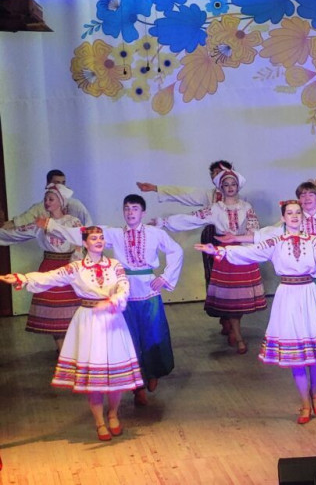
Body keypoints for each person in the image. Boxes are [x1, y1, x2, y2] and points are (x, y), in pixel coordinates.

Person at [196, 201, 316, 424]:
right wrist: (220, 251)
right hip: (287, 295)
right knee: (296, 355)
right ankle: (304, 402)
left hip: (309, 294)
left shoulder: (313, 241)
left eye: (298, 213)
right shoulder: (275, 242)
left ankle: (315, 393)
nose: (295, 216)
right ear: (283, 218)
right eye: (290, 213)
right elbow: (250, 252)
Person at [1, 226, 144, 441]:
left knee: (115, 374)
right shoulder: (76, 268)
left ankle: (113, 415)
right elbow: (49, 277)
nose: (99, 241)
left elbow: (124, 288)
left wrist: (113, 301)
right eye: (93, 238)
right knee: (93, 376)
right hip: (88, 320)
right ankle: (99, 422)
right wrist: (22, 278)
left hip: (112, 319)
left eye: (101, 238)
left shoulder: (115, 265)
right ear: (84, 243)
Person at [46, 194, 183, 406]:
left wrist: (165, 277)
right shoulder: (114, 233)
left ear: (143, 212)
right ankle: (138, 388)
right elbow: (83, 233)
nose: (130, 212)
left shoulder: (155, 233)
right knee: (129, 338)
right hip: (123, 290)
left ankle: (153, 373)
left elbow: (176, 250)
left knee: (154, 335)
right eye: (127, 208)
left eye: (135, 208)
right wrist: (50, 225)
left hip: (148, 290)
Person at [225, 181, 316, 391]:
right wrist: (236, 238)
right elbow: (264, 235)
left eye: (310, 194)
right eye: (302, 195)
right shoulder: (291, 221)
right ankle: (304, 364)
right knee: (302, 325)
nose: (306, 198)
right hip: (298, 279)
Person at [156, 169, 265, 353]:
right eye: (226, 185)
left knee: (240, 298)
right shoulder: (215, 209)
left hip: (243, 252)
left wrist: (243, 240)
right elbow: (192, 218)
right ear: (220, 188)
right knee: (230, 298)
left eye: (233, 184)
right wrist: (164, 222)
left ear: (238, 186)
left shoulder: (247, 207)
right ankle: (238, 336)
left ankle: (235, 330)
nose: (230, 188)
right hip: (224, 254)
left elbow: (254, 230)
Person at [0, 183, 84, 349]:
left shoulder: (73, 222)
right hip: (49, 266)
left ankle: (73, 351)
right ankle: (61, 351)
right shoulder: (41, 222)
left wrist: (75, 265)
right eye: (46, 199)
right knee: (53, 312)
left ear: (60, 202)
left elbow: (80, 243)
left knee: (71, 312)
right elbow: (18, 231)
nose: (47, 202)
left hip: (68, 265)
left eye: (51, 199)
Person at [137, 160, 232, 292]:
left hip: (235, 238)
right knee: (213, 272)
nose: (217, 176)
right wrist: (156, 188)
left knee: (233, 272)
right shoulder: (210, 196)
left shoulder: (242, 201)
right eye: (214, 173)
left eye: (220, 172)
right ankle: (216, 301)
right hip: (212, 236)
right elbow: (185, 195)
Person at [4, 169, 93, 228]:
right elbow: (19, 222)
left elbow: (89, 226)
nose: (61, 186)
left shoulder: (75, 205)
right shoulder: (39, 208)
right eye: (57, 183)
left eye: (63, 183)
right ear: (48, 184)